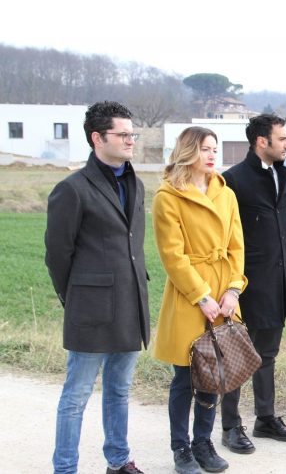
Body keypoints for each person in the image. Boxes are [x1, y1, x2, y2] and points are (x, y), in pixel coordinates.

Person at [45, 101, 149, 474]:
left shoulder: (136, 183)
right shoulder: (71, 189)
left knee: (119, 391)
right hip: (90, 310)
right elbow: (58, 255)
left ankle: (118, 461)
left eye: (132, 134)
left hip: (131, 305)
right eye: (122, 134)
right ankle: (65, 468)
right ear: (97, 138)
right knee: (76, 396)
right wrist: (75, 297)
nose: (130, 140)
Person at [152, 126, 247, 474]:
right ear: (188, 151)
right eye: (205, 149)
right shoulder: (168, 196)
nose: (212, 155)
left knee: (213, 375)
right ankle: (180, 447)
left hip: (224, 296)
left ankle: (203, 443)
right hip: (189, 296)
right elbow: (173, 256)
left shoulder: (226, 193)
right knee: (185, 377)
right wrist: (201, 296)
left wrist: (233, 290)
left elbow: (237, 246)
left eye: (214, 149)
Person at [220, 113, 286, 453]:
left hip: (278, 279)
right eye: (282, 138)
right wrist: (230, 285)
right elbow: (224, 237)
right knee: (238, 356)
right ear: (261, 142)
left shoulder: (282, 173)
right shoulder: (232, 180)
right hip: (244, 284)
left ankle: (265, 418)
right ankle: (230, 426)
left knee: (267, 354)